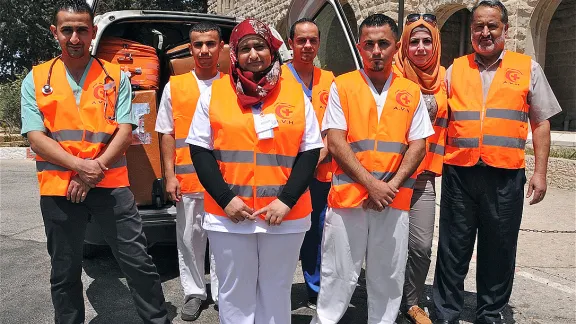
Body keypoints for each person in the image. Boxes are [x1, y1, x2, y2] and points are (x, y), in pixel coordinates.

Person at [20, 1, 170, 323]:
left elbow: (126, 130)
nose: (75, 37)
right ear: (55, 32)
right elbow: (36, 137)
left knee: (138, 262)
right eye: (67, 30)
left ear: (93, 33)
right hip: (59, 189)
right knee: (64, 271)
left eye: (82, 30)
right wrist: (80, 168)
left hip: (111, 185)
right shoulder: (35, 79)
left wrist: (91, 172)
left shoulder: (115, 76)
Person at [432, 1, 562, 324]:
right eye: (478, 26)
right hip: (459, 174)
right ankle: (445, 312)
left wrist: (540, 172)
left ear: (505, 28)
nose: (484, 33)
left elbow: (541, 122)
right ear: (472, 29)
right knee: (452, 249)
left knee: (499, 249)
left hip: (505, 177)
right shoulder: (455, 69)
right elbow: (435, 116)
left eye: (492, 26)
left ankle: (491, 312)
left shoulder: (527, 68)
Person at [186, 18, 323, 324]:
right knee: (235, 293)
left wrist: (285, 200)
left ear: (272, 49)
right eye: (244, 48)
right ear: (234, 53)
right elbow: (200, 151)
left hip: (285, 216)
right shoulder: (215, 93)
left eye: (259, 46)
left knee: (276, 290)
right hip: (231, 216)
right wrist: (226, 199)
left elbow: (310, 150)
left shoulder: (295, 93)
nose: (253, 54)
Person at [311, 14, 434, 324]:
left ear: (396, 48)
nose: (376, 50)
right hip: (349, 200)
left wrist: (389, 186)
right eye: (369, 44)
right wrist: (373, 185)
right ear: (359, 47)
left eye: (383, 44)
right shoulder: (344, 85)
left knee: (388, 275)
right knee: (338, 272)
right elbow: (336, 142)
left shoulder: (410, 91)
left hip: (393, 201)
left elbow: (419, 144)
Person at [155, 22, 223, 321]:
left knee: (224, 240)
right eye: (198, 44)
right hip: (188, 178)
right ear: (191, 48)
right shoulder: (175, 86)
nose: (204, 50)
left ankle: (224, 295)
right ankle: (195, 292)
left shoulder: (232, 85)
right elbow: (166, 133)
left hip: (224, 183)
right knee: (190, 239)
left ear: (220, 47)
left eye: (210, 44)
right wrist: (169, 175)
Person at [392, 13, 448, 324]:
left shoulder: (445, 78)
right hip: (389, 175)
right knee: (387, 244)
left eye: (427, 41)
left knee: (421, 246)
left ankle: (411, 302)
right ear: (404, 45)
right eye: (414, 41)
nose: (421, 47)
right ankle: (385, 298)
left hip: (424, 176)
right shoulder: (391, 74)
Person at [283, 17, 335, 309]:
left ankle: (315, 287)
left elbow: (336, 126)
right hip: (286, 171)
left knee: (317, 231)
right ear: (291, 43)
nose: (307, 45)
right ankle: (276, 286)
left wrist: (317, 158)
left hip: (321, 172)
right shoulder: (278, 78)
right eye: (301, 40)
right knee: (285, 229)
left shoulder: (330, 80)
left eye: (312, 40)